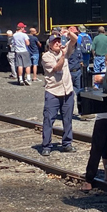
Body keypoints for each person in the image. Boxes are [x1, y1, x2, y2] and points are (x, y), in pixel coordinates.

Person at [39, 27, 78, 156]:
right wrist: (62, 55)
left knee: (68, 119)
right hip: (53, 92)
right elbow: (57, 67)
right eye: (54, 42)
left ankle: (67, 143)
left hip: (67, 90)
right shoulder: (46, 57)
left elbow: (75, 39)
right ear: (49, 45)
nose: (57, 43)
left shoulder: (64, 50)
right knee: (49, 119)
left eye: (58, 41)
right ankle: (46, 145)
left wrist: (68, 32)